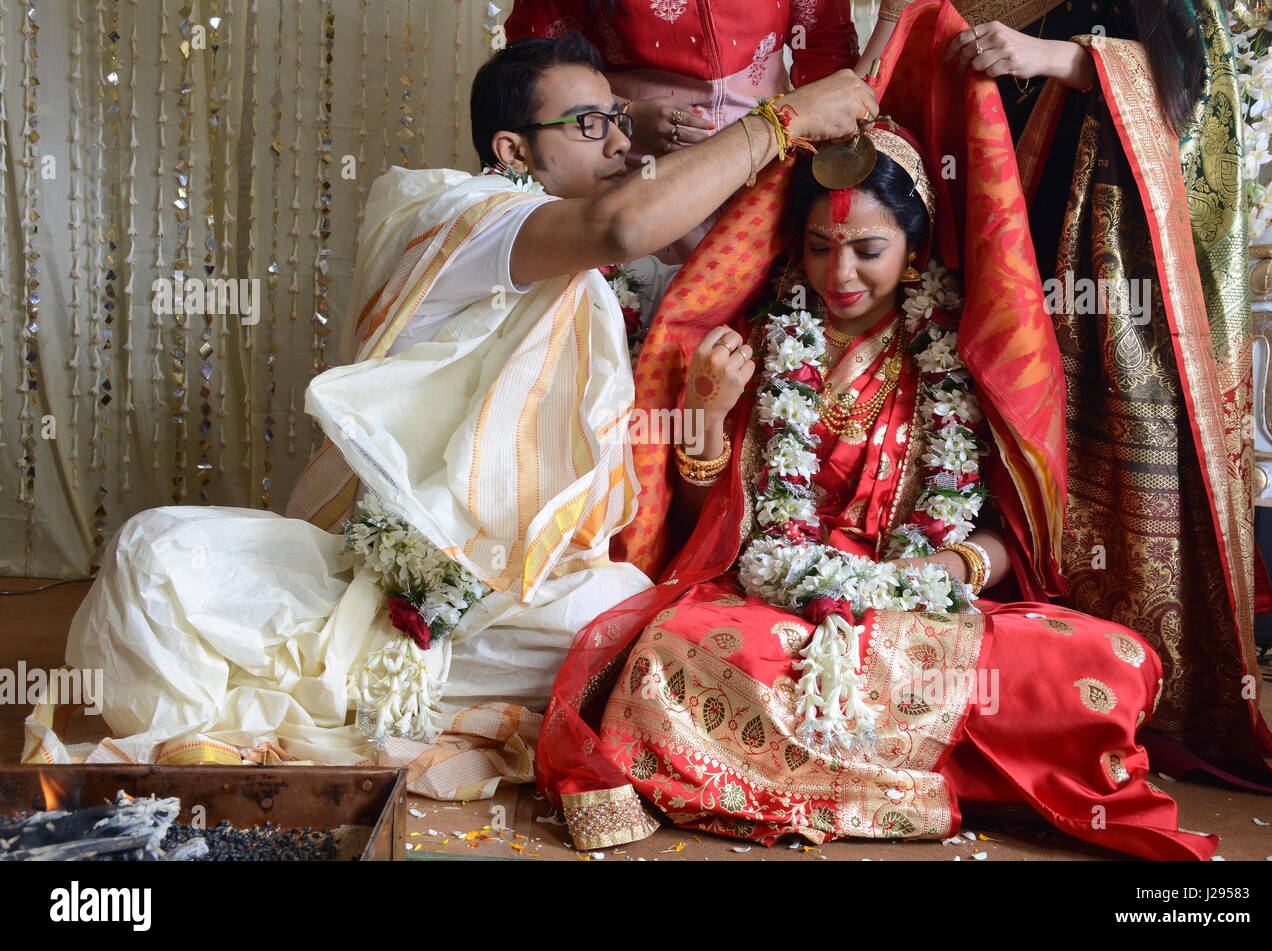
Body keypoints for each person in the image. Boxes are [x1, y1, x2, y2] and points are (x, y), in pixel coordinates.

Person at [22, 36, 875, 793]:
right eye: (591, 125)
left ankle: (367, 700)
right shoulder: (451, 215)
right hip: (364, 576)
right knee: (154, 557)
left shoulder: (583, 281)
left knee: (615, 610)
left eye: (622, 121)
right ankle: (347, 698)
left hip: (510, 597)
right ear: (511, 150)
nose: (621, 142)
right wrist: (787, 116)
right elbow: (622, 225)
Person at [534, 3, 1219, 859]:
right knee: (671, 650)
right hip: (777, 608)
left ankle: (810, 764)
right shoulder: (763, 338)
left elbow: (1005, 534)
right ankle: (933, 774)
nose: (839, 273)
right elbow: (717, 524)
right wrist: (706, 414)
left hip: (924, 610)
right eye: (820, 247)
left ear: (916, 246)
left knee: (1110, 662)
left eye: (866, 248)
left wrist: (954, 564)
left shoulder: (959, 347)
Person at [864, 0, 1272, 795]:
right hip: (1036, 257)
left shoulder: (1181, 12)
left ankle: (1146, 693)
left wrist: (1059, 59)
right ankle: (1052, 687)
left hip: (1140, 291)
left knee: (1140, 476)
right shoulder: (1026, 5)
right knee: (1033, 465)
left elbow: (1199, 122)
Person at [505, 0, 861, 262]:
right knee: (643, 327)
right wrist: (623, 112)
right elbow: (532, 67)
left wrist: (808, 147)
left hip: (773, 163)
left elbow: (825, 49)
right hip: (637, 171)